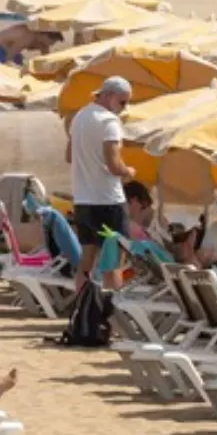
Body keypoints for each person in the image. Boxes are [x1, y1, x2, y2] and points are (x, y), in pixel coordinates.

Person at [68, 75, 136, 288]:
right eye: (122, 102)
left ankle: (81, 308)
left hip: (83, 199)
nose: (124, 108)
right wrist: (129, 171)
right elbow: (114, 165)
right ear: (108, 96)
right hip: (108, 200)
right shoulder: (109, 122)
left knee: (86, 259)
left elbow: (69, 156)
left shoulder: (79, 116)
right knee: (114, 260)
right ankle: (112, 312)